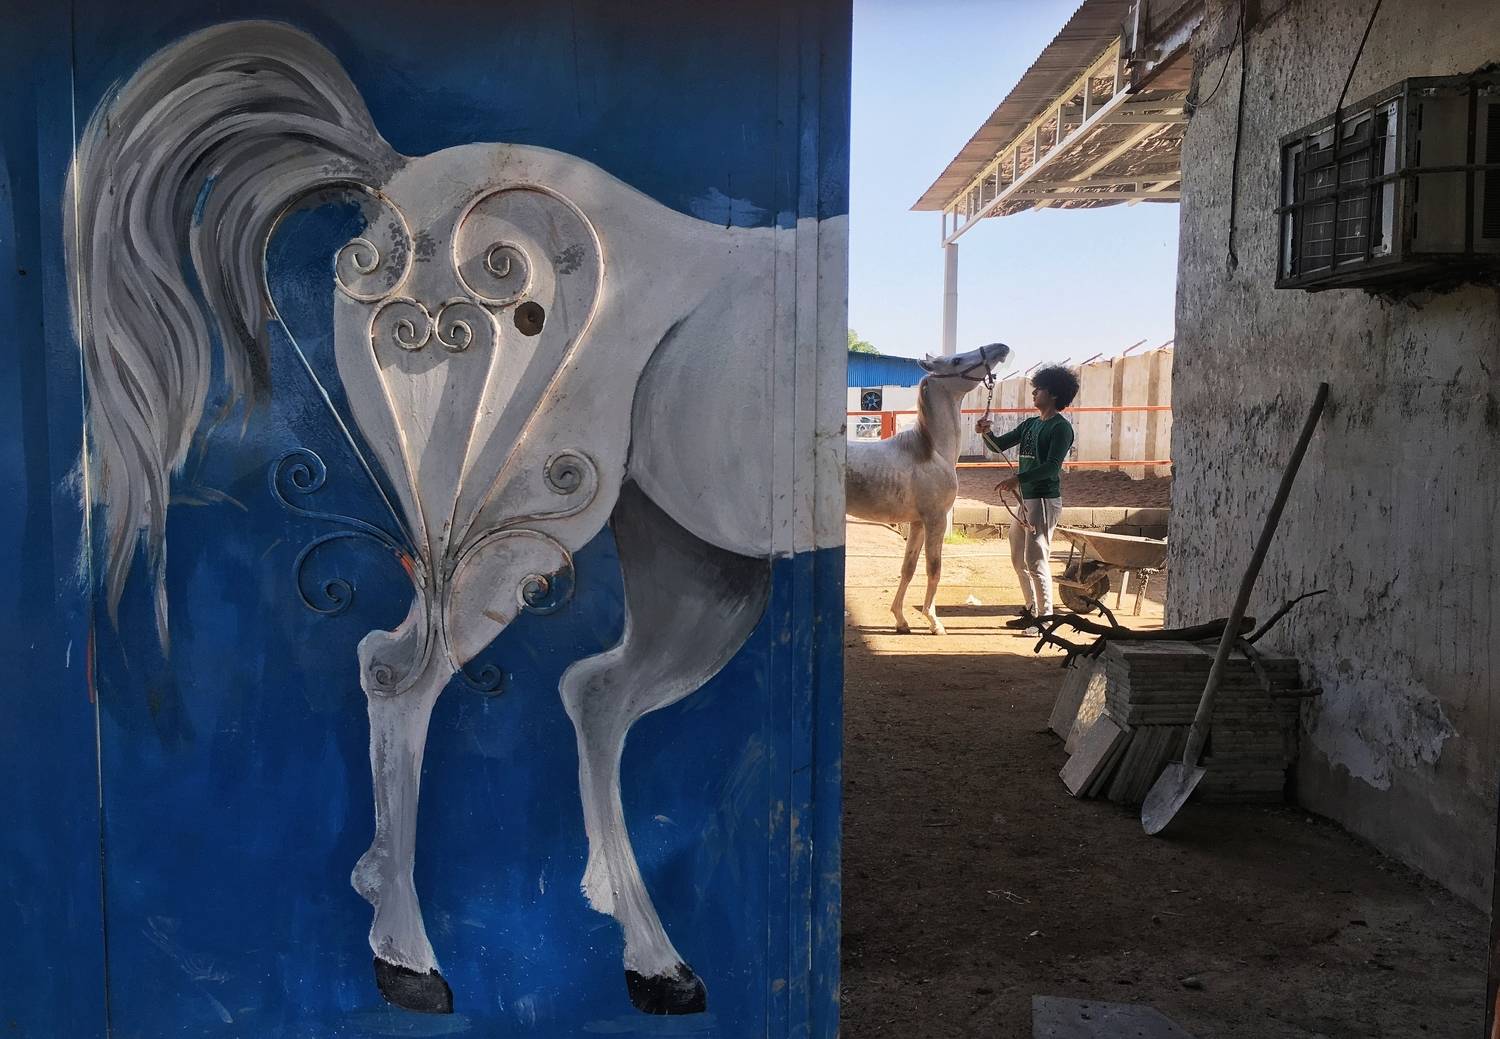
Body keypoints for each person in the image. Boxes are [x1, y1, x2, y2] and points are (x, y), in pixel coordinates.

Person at [974, 365, 1079, 633]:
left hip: (1042, 500)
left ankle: (1045, 619)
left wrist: (1018, 479)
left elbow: (1052, 467)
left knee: (1036, 559)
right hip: (1027, 499)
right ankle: (1032, 609)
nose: (1034, 393)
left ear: (1053, 394)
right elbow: (998, 445)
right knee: (1018, 559)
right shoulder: (1031, 424)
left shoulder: (1061, 428)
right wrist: (986, 433)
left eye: (1039, 389)